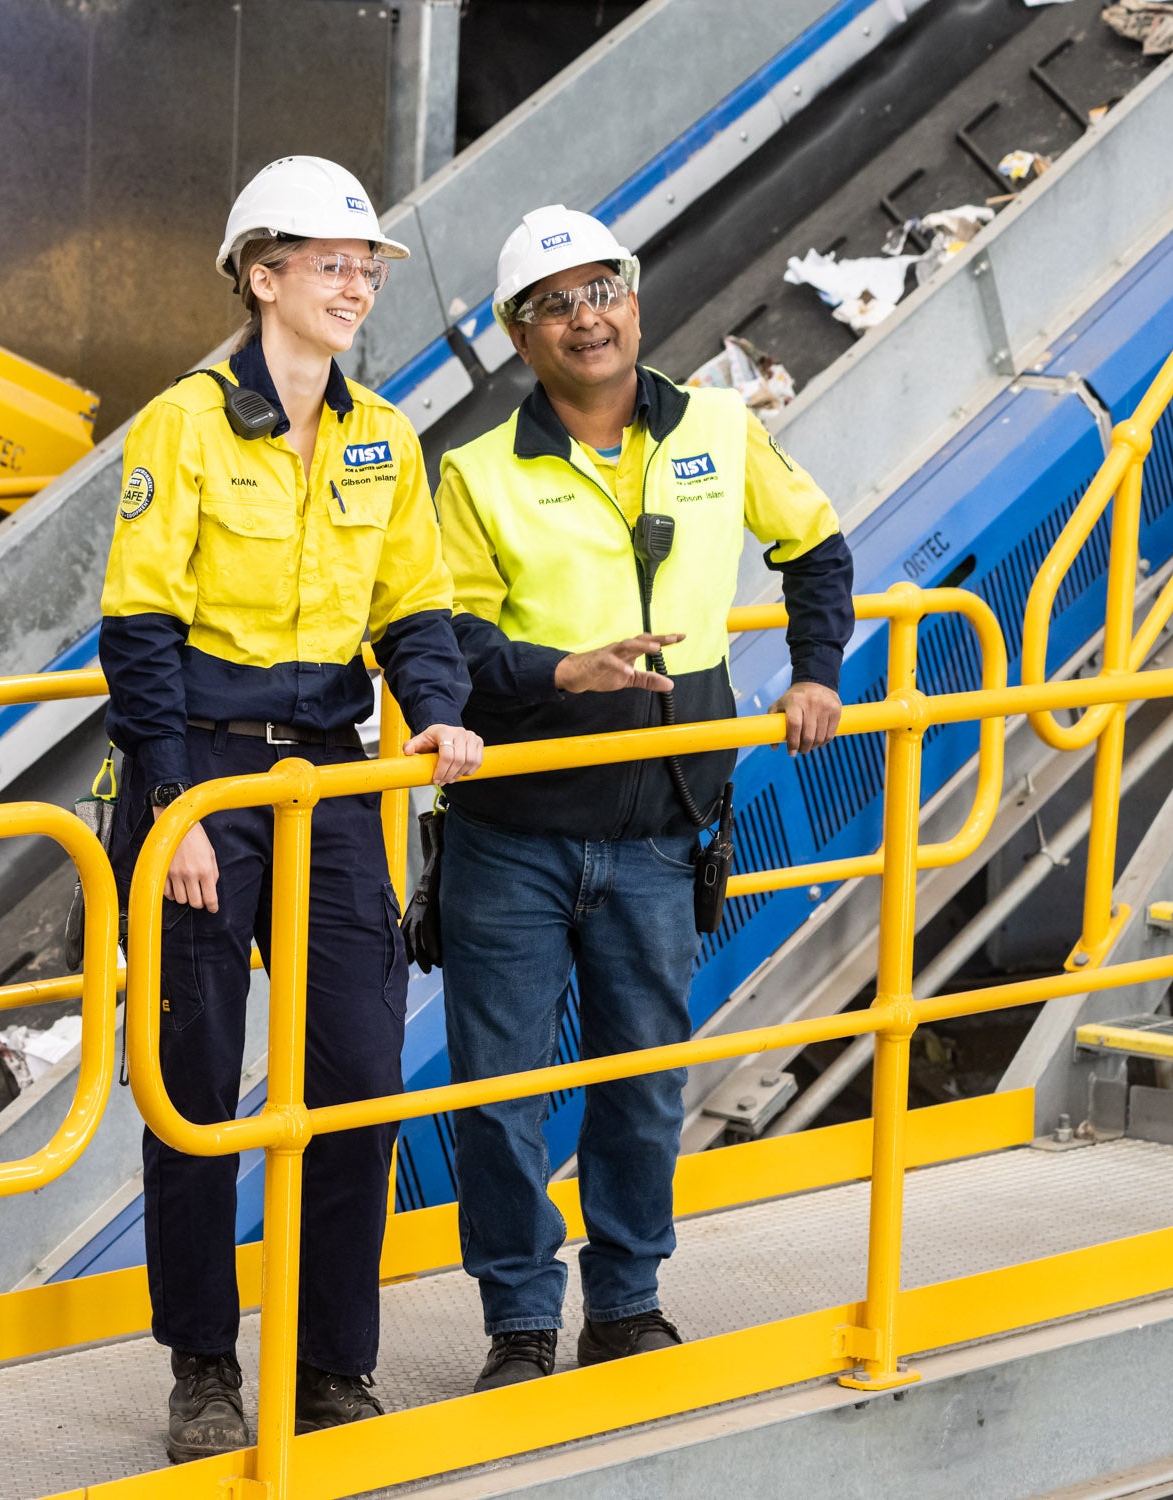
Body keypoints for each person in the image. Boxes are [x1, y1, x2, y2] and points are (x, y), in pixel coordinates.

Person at [99, 155, 484, 1461]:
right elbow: (138, 633)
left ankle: (330, 1369)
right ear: (260, 276)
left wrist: (431, 703)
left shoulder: (385, 438)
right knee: (197, 1088)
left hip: (330, 775)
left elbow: (414, 608)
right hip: (200, 777)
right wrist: (173, 813)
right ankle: (203, 1370)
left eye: (365, 265)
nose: (356, 284)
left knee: (359, 1081)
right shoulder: (182, 428)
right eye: (331, 262)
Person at [432, 205, 854, 1389]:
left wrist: (815, 672)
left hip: (665, 830)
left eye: (602, 289)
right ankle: (519, 1326)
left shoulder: (719, 425)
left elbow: (815, 549)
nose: (588, 317)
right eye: (555, 304)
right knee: (501, 1094)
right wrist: (561, 672)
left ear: (634, 297)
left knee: (642, 1079)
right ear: (523, 337)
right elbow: (448, 638)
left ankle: (627, 1304)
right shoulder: (476, 474)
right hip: (513, 835)